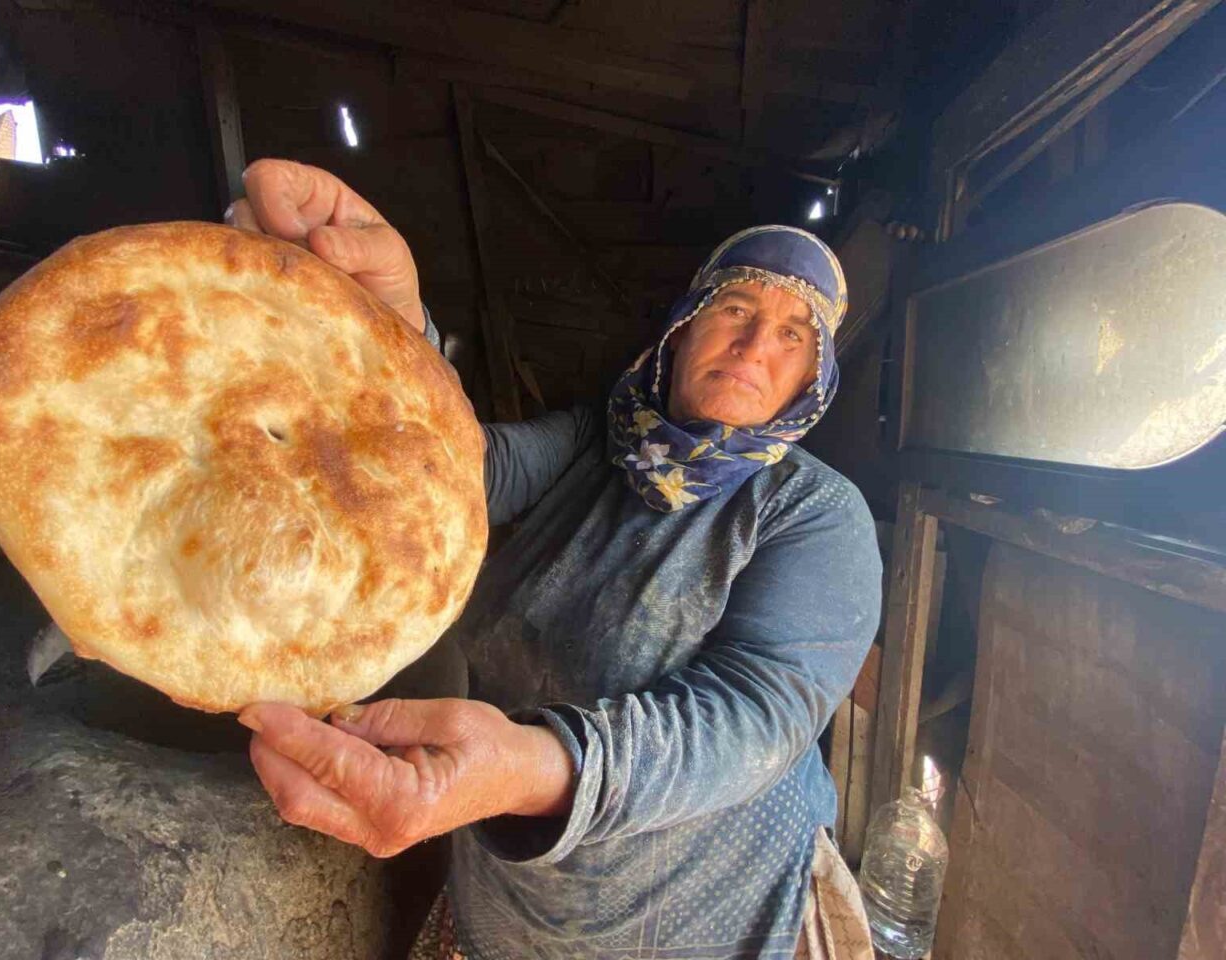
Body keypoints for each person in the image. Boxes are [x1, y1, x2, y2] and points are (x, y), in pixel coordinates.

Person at [228, 159, 882, 960]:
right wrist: (399, 324)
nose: (754, 346)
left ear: (815, 378)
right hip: (516, 893)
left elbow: (749, 720)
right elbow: (444, 470)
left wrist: (532, 767)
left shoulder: (812, 513)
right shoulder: (589, 445)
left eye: (792, 334)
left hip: (701, 911)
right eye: (736, 307)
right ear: (683, 327)